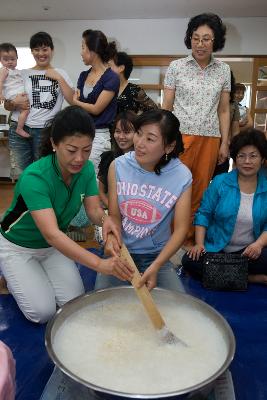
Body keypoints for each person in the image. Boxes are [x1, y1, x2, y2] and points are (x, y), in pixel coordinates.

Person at [0, 106, 133, 324]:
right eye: (72, 150)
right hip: (19, 247)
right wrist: (99, 265)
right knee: (42, 313)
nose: (79, 158)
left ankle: (30, 275)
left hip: (52, 249)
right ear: (54, 143)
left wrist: (105, 220)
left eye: (87, 150)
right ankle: (9, 278)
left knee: (74, 302)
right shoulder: (35, 177)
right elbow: (53, 234)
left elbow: (93, 210)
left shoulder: (87, 170)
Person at [95, 109, 192, 291]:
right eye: (139, 134)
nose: (139, 143)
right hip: (121, 253)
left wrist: (156, 266)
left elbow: (181, 230)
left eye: (150, 139)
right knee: (104, 306)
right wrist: (110, 240)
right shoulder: (118, 166)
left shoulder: (182, 176)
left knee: (176, 307)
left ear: (169, 146)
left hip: (157, 256)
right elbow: (114, 216)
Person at [162, 13, 231, 248]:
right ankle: (167, 239)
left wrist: (224, 142)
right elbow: (167, 107)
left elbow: (223, 110)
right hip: (180, 138)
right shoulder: (176, 67)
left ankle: (188, 241)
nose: (200, 44)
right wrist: (164, 139)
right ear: (189, 39)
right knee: (174, 189)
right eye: (196, 38)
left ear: (215, 41)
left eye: (206, 39)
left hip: (211, 139)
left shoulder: (223, 70)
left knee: (199, 192)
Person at [182, 128, 267, 284]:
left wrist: (258, 244)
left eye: (253, 156)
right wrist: (200, 244)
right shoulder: (220, 182)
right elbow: (203, 214)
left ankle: (222, 274)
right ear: (235, 159)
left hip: (248, 252)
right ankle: (251, 279)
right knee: (190, 261)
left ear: (262, 159)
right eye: (242, 156)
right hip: (217, 249)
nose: (247, 161)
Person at [4, 31, 74, 179]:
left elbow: (72, 100)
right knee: (22, 176)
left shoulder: (60, 73)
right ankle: (24, 202)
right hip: (19, 129)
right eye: (36, 49)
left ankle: (42, 202)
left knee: (44, 174)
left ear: (52, 50)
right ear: (32, 52)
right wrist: (13, 103)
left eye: (45, 49)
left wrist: (59, 78)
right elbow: (8, 105)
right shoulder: (21, 73)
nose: (41, 53)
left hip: (45, 131)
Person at [73, 29, 119, 175]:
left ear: (93, 51)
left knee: (92, 177)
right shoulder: (83, 75)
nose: (81, 52)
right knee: (77, 175)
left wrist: (76, 102)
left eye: (83, 48)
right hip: (80, 132)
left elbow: (96, 109)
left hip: (99, 135)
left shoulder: (111, 77)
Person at [98, 110, 136, 208]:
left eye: (127, 132)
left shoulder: (144, 162)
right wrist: (114, 211)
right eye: (118, 131)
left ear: (137, 133)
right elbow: (101, 192)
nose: (121, 136)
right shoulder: (108, 158)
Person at [213, 70, 240, 176]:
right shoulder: (207, 100)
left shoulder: (233, 104)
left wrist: (234, 148)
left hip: (224, 146)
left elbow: (235, 129)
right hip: (206, 142)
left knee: (220, 177)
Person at [0, 43, 29, 138]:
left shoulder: (17, 71)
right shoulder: (4, 70)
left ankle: (19, 128)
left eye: (12, 59)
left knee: (25, 109)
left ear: (17, 58)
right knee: (25, 110)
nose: (9, 62)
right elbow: (0, 82)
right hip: (12, 94)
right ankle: (19, 128)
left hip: (17, 93)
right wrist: (0, 94)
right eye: (6, 59)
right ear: (0, 60)